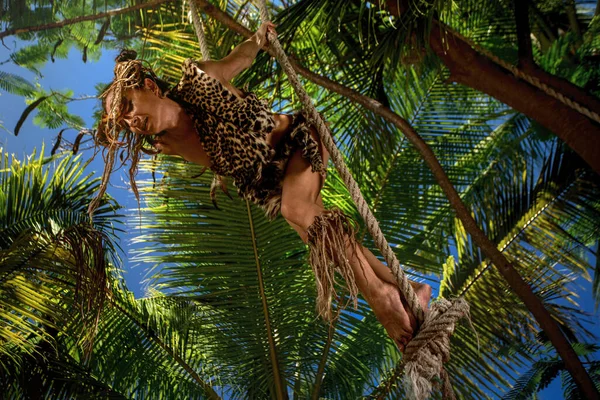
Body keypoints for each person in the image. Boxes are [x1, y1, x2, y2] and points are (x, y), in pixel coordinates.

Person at [95, 22, 431, 351]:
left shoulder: (199, 78)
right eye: (122, 121)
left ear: (150, 87)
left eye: (128, 106)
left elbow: (238, 59)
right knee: (315, 235)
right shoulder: (167, 144)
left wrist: (259, 38)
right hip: (273, 186)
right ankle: (407, 288)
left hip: (298, 140)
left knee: (297, 210)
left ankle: (382, 298)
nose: (130, 120)